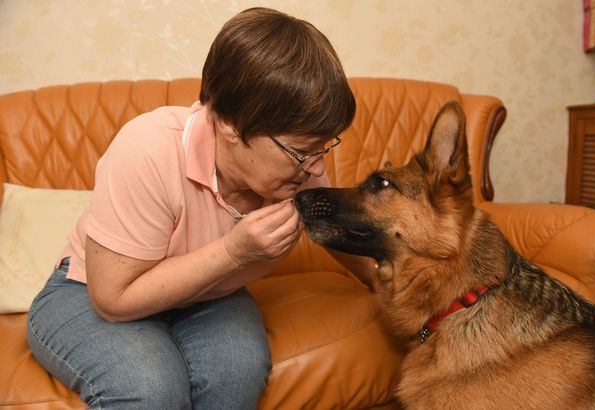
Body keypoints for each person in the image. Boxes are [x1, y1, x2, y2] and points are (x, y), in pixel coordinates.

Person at [26, 6, 374, 410]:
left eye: (323, 148)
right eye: (301, 152)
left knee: (236, 373)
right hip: (86, 293)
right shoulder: (147, 149)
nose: (316, 167)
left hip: (206, 295)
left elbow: (337, 234)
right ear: (228, 123)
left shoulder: (297, 165)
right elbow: (113, 298)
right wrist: (236, 251)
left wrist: (415, 296)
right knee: (153, 387)